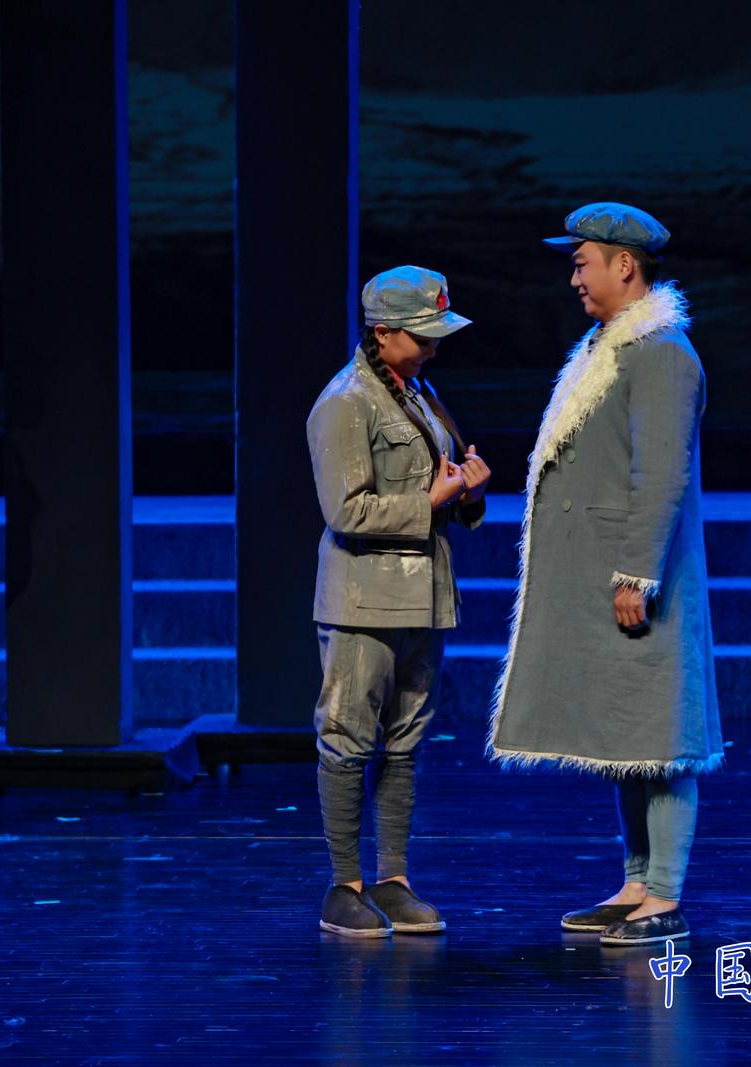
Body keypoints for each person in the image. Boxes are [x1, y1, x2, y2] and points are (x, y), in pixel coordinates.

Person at [487, 203, 721, 945]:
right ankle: (635, 883)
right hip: (608, 575)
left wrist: (636, 575)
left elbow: (661, 476)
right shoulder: (611, 347)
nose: (574, 277)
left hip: (644, 581)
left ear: (625, 265)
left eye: (582, 262)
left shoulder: (663, 355)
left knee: (662, 736)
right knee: (626, 735)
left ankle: (665, 894)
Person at [306, 266, 492, 937]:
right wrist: (431, 500)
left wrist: (465, 493)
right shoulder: (345, 402)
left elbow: (438, 486)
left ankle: (393, 879)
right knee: (348, 739)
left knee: (406, 740)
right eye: (422, 335)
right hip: (364, 599)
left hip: (424, 596)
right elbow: (346, 510)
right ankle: (345, 884)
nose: (434, 347)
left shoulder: (418, 392)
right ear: (382, 333)